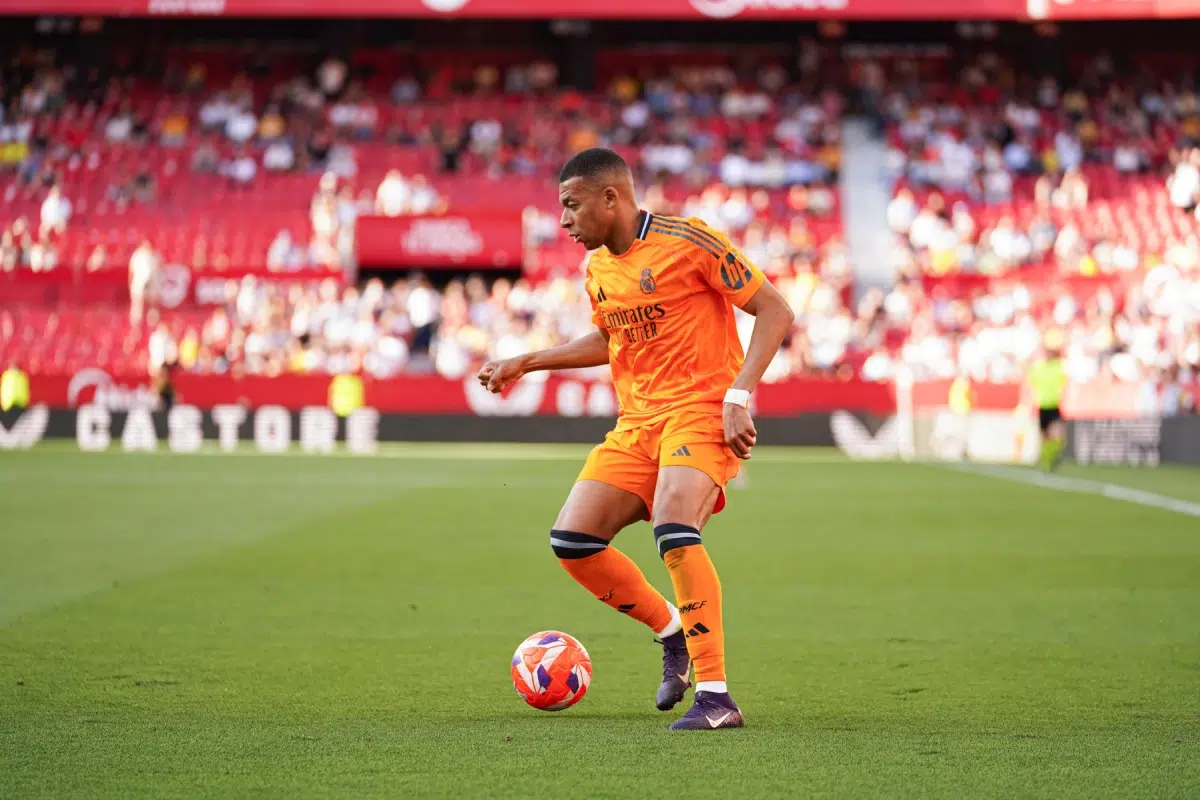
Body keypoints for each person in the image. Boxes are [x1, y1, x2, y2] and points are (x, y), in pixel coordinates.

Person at [477, 148, 794, 731]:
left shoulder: (689, 241)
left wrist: (738, 396)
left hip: (700, 410)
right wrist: (527, 361)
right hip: (637, 423)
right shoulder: (598, 269)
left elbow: (775, 309)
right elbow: (610, 340)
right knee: (572, 540)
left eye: (571, 205)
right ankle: (672, 631)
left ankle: (717, 697)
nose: (564, 220)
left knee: (673, 526)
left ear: (611, 198)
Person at [1024, 331, 1069, 470]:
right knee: (1045, 436)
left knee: (1057, 434)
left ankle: (1052, 457)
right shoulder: (1040, 368)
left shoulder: (1059, 366)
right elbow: (1030, 385)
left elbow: (1066, 383)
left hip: (1054, 405)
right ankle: (1047, 459)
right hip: (1042, 405)